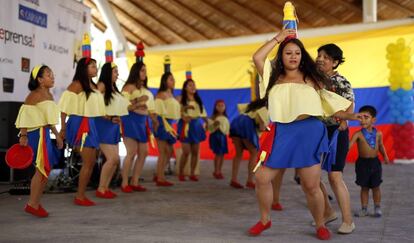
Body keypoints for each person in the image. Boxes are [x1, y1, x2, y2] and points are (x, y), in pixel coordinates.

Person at [249, 29, 360, 240]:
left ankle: (320, 224)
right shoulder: (272, 76)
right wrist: (278, 38)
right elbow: (257, 57)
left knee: (311, 185)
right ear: (281, 56)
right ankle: (265, 220)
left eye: (297, 53)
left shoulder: (312, 79)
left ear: (302, 57)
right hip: (282, 132)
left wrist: (353, 116)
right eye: (288, 53)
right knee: (262, 177)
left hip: (309, 131)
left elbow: (332, 107)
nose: (293, 56)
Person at [315, 43, 355, 233]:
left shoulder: (341, 81)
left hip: (336, 132)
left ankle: (348, 221)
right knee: (311, 176)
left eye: (326, 57)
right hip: (317, 132)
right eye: (319, 55)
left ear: (335, 62)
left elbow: (349, 104)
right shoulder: (313, 80)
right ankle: (328, 212)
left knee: (334, 176)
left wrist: (344, 123)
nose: (320, 59)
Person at [15, 65, 63, 217]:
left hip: (45, 133)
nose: (52, 77)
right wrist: (23, 136)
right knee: (42, 169)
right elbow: (24, 116)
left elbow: (48, 120)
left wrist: (57, 134)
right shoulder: (34, 95)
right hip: (36, 134)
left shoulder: (48, 95)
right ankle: (32, 204)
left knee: (44, 169)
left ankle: (34, 202)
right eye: (49, 75)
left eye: (52, 74)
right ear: (40, 80)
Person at [59, 57, 106, 206]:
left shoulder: (92, 85)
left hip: (90, 123)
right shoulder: (76, 84)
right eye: (92, 66)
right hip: (80, 123)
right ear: (83, 69)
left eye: (95, 66)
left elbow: (97, 109)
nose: (95, 69)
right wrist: (63, 128)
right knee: (88, 162)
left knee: (91, 162)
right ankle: (79, 196)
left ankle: (81, 194)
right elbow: (64, 108)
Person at [121, 62, 157, 192]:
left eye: (145, 70)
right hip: (130, 120)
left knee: (144, 152)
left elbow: (151, 109)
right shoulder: (128, 87)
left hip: (143, 122)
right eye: (142, 70)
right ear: (136, 71)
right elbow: (122, 106)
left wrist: (154, 120)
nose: (144, 73)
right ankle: (124, 183)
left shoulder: (146, 90)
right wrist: (137, 103)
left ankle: (135, 181)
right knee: (131, 152)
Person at [95, 62, 129, 198]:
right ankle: (100, 188)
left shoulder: (114, 87)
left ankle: (105, 187)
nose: (118, 74)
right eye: (115, 72)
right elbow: (94, 105)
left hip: (113, 125)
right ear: (108, 73)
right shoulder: (102, 85)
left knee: (115, 160)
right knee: (112, 158)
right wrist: (109, 117)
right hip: (103, 124)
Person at [349, 105, 389, 218]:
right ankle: (364, 209)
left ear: (373, 120)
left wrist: (385, 156)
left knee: (376, 186)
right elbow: (349, 146)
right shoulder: (358, 134)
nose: (362, 120)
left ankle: (377, 207)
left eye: (366, 117)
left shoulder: (379, 133)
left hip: (375, 163)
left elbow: (381, 146)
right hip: (362, 163)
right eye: (360, 117)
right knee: (364, 187)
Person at [229, 101, 268, 189]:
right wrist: (266, 129)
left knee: (238, 153)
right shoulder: (265, 109)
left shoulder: (251, 106)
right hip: (247, 125)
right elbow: (262, 127)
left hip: (236, 122)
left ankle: (233, 179)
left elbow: (240, 109)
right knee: (254, 153)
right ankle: (250, 180)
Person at [153, 70, 181, 186]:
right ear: (164, 81)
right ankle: (160, 177)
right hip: (162, 122)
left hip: (169, 124)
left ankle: (159, 174)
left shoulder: (171, 95)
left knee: (169, 152)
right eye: (170, 79)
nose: (173, 81)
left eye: (173, 79)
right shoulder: (161, 95)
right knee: (163, 152)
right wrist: (155, 124)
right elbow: (156, 111)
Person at [177, 79, 207, 181]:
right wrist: (183, 115)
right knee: (186, 151)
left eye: (194, 85)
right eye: (190, 85)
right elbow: (177, 111)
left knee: (195, 151)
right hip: (185, 125)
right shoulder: (181, 99)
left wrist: (208, 123)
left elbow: (203, 114)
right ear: (185, 88)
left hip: (196, 126)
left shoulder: (198, 100)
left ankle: (192, 173)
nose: (193, 87)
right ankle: (181, 173)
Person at [208, 100, 229, 179]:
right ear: (215, 107)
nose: (220, 107)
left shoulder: (225, 117)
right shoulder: (213, 117)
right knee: (218, 153)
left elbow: (226, 128)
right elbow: (209, 127)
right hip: (216, 136)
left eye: (222, 105)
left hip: (223, 137)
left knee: (222, 154)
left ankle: (219, 170)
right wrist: (214, 124)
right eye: (218, 106)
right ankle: (216, 170)